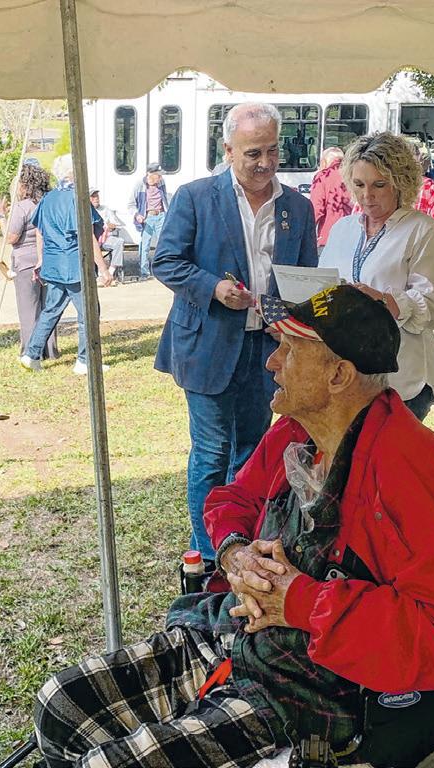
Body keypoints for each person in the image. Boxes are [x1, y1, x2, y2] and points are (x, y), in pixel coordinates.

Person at [33, 284, 434, 768]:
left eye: (289, 350)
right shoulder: (298, 431)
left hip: (310, 692)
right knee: (61, 705)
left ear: (338, 375)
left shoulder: (404, 465)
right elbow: (233, 499)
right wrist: (235, 553)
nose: (271, 362)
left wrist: (301, 602)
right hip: (240, 638)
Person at [153, 102, 318, 563]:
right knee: (211, 451)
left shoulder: (298, 208)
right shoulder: (195, 197)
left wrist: (292, 317)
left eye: (272, 151)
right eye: (252, 153)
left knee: (251, 454)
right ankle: (211, 557)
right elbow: (165, 261)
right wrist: (213, 287)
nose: (264, 163)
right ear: (228, 150)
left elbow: (305, 277)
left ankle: (240, 541)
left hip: (268, 350)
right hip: (207, 346)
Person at [319, 132, 434, 421]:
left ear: (400, 182)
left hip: (402, 378)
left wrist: (384, 301)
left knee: (390, 451)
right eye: (359, 184)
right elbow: (322, 288)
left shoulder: (423, 230)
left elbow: (431, 307)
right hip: (349, 375)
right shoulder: (343, 229)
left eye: (379, 185)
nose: (367, 195)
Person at [19, 154, 114, 375]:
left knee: (51, 310)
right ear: (75, 172)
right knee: (89, 312)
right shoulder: (77, 198)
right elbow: (88, 236)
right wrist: (103, 268)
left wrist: (41, 259)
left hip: (54, 263)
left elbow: (40, 231)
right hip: (74, 265)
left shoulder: (48, 198)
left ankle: (31, 354)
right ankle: (84, 360)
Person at [2, 162, 59, 359]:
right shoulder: (48, 203)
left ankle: (31, 351)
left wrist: (1, 216)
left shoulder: (22, 207)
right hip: (48, 260)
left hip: (25, 263)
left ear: (25, 185)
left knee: (29, 309)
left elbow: (11, 237)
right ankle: (50, 349)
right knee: (48, 307)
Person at [309, 146, 350, 248]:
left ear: (324, 162)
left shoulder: (323, 177)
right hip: (353, 236)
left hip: (329, 237)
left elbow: (316, 209)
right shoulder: (353, 174)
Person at [133, 162, 169, 277]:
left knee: (163, 244)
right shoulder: (140, 185)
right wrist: (137, 215)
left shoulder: (161, 183)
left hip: (161, 215)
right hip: (147, 217)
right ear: (150, 174)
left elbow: (164, 199)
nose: (160, 177)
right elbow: (131, 204)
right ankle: (144, 272)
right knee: (145, 245)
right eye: (158, 175)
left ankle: (162, 270)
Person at [90, 189, 127, 281]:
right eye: (93, 197)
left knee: (119, 242)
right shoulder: (86, 210)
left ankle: (111, 271)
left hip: (104, 238)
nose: (96, 199)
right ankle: (97, 274)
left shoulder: (105, 209)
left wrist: (111, 226)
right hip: (91, 240)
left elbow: (116, 224)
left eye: (97, 196)